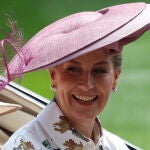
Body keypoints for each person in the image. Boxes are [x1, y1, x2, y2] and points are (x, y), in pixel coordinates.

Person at [1, 2, 150, 150]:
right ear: (54, 76)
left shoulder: (116, 147)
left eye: (99, 71)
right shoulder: (24, 146)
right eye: (73, 69)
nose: (87, 84)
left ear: (115, 79)